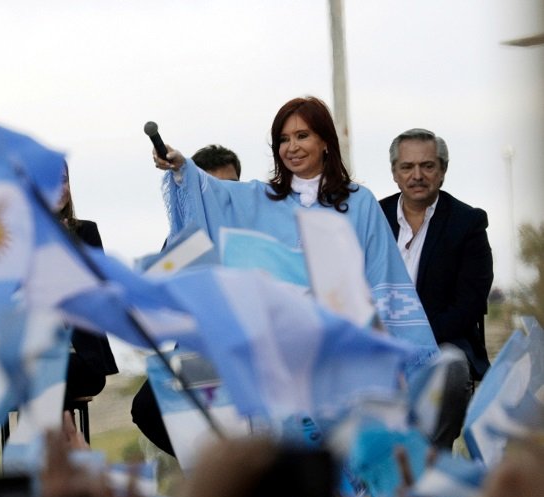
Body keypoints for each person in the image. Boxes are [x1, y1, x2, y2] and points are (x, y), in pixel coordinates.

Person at [152, 97, 437, 367]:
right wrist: (181, 168)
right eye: (284, 140)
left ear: (325, 141)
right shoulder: (259, 198)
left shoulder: (359, 202)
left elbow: (382, 274)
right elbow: (213, 195)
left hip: (344, 351)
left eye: (302, 136)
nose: (292, 147)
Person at [379, 128, 494, 448]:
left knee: (449, 365)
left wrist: (415, 341)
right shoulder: (375, 217)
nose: (417, 175)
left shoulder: (467, 223)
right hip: (382, 343)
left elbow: (469, 304)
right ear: (394, 173)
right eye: (407, 167)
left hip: (443, 345)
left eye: (427, 166)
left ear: (442, 171)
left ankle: (430, 463)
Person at [132, 144, 243, 457]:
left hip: (246, 354)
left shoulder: (251, 232)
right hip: (198, 354)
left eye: (230, 186)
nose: (221, 196)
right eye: (210, 187)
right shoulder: (184, 237)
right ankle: (211, 469)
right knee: (146, 407)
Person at [57, 163, 119, 405]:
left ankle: (61, 438)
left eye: (63, 180)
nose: (59, 188)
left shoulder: (85, 232)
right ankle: (66, 438)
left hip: (82, 357)